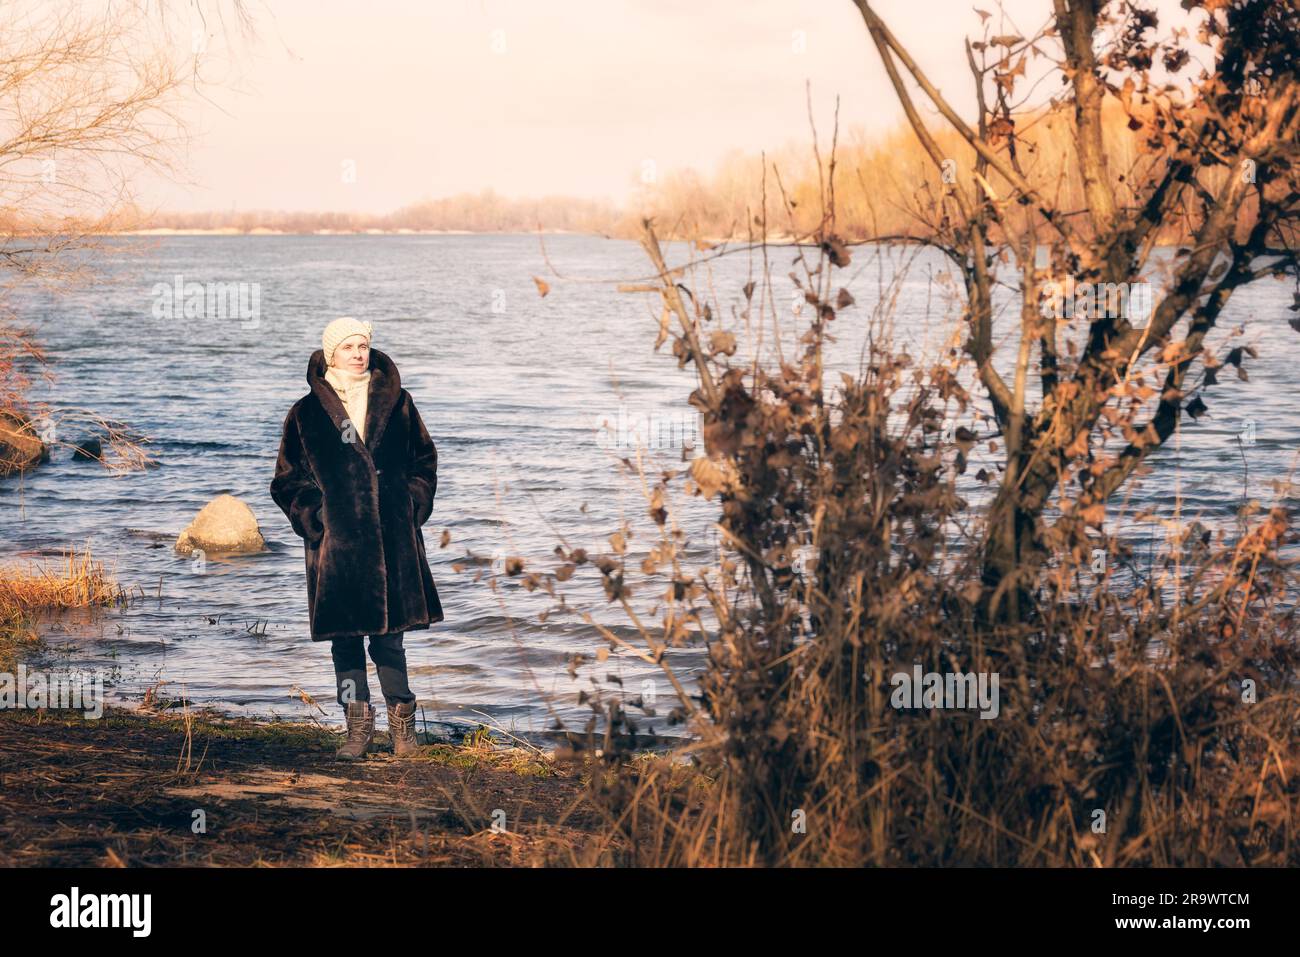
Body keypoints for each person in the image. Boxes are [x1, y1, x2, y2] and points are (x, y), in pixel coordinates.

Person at [270, 317, 444, 759]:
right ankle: (357, 732)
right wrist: (315, 518)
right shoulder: (306, 413)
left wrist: (413, 504)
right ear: (331, 354)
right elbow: (287, 480)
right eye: (348, 346)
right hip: (337, 548)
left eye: (363, 344)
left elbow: (424, 460)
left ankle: (403, 730)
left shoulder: (399, 403)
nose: (358, 353)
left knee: (390, 639)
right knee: (346, 641)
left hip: (393, 541)